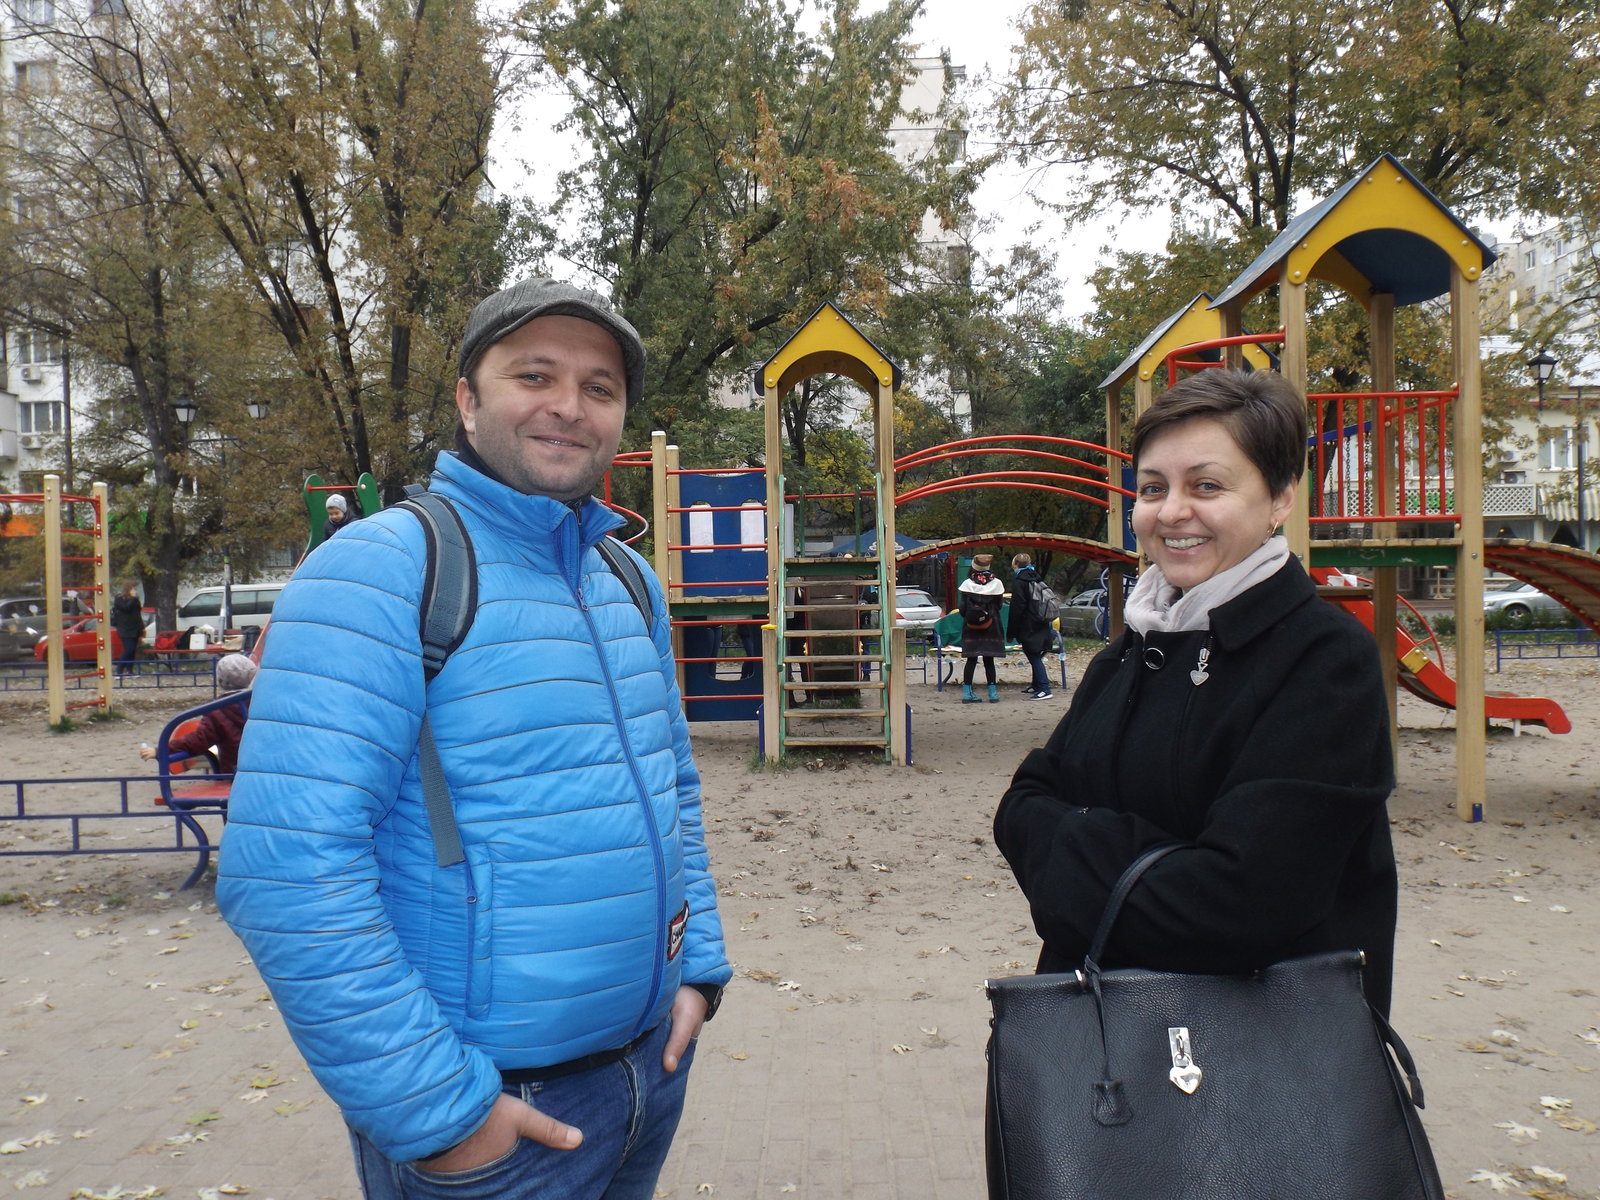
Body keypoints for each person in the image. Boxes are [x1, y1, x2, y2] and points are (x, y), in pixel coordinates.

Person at [216, 277, 731, 1199]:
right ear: (467, 399)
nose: (568, 406)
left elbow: (674, 791)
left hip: (648, 1073)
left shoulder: (628, 580)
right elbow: (286, 870)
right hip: (493, 1110)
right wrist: (441, 1114)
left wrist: (698, 971)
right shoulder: (380, 571)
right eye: (534, 375)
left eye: (599, 387)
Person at [993, 368, 1398, 1016]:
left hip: (1259, 1054)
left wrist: (1071, 854)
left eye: (1206, 485)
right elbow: (1021, 807)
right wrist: (1158, 861)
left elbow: (1244, 903)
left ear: (1280, 498)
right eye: (1153, 488)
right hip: (1104, 1044)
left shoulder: (1323, 660)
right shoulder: (1133, 649)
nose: (1172, 511)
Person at [138, 653, 256, 773]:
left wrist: (162, 750)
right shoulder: (261, 702)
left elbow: (198, 740)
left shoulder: (218, 710)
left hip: (237, 773)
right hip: (265, 769)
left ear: (220, 680)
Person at [957, 554, 1006, 703]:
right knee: (989, 659)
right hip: (992, 626)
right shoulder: (997, 583)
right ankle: (993, 693)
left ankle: (967, 693)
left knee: (971, 660)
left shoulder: (967, 584)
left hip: (971, 627)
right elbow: (999, 606)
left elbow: (962, 609)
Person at [1006, 553, 1054, 699]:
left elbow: (1017, 608)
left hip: (1028, 624)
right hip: (1041, 622)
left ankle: (1044, 688)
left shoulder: (1019, 581)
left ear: (1015, 564)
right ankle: (1036, 685)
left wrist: (1011, 632)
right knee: (1034, 653)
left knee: (1033, 656)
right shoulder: (1036, 577)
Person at [110, 579, 144, 678]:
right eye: (133, 588)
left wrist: (141, 627)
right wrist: (132, 598)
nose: (135, 591)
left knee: (133, 650)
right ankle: (119, 670)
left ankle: (129, 670)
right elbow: (126, 608)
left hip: (135, 628)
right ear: (128, 589)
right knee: (129, 648)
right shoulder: (119, 599)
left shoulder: (135, 599)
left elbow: (138, 612)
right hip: (125, 628)